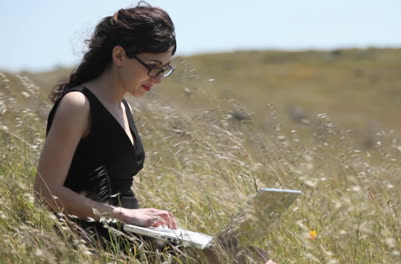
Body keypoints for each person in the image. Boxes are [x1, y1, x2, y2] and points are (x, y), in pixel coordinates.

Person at [34, 2, 275, 263]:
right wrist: (123, 215)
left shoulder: (121, 106)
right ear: (119, 56)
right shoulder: (78, 104)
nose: (158, 78)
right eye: (152, 66)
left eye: (164, 69)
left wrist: (142, 222)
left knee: (254, 255)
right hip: (96, 241)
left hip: (134, 236)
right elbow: (46, 192)